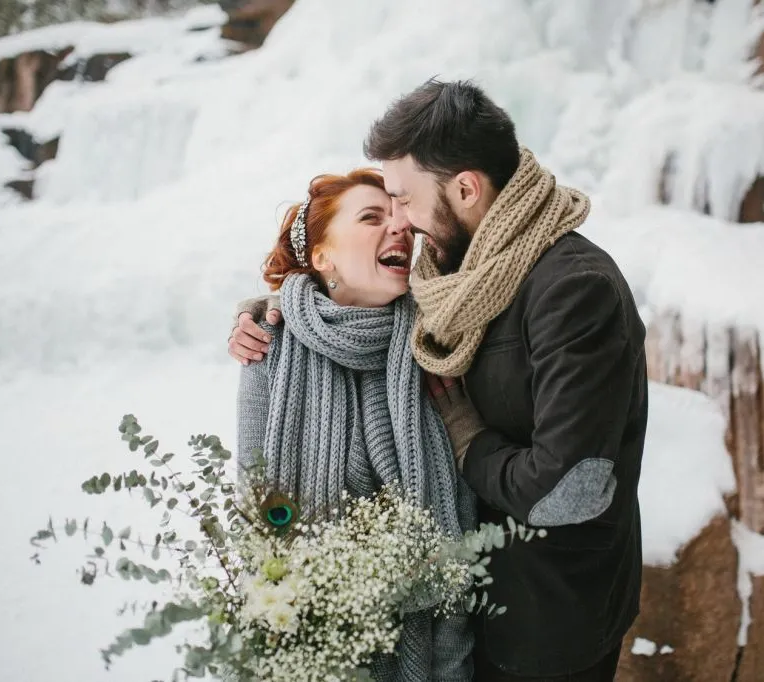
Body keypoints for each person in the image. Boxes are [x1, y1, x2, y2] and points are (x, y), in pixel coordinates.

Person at [230, 79, 648, 682]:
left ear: (466, 188)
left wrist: (465, 435)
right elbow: (337, 302)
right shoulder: (449, 279)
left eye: (401, 199)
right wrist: (271, 313)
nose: (401, 222)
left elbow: (570, 490)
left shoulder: (572, 289)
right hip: (452, 620)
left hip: (543, 622)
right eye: (379, 210)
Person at [235, 168, 476, 682]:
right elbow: (259, 519)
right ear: (322, 257)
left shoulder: (434, 344)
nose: (400, 230)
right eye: (372, 218)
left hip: (429, 649)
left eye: (402, 220)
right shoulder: (269, 348)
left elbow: (456, 534)